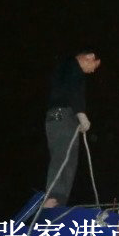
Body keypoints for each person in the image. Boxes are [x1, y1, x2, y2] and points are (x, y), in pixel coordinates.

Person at [44, 49, 101, 208]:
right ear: (89, 57)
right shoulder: (71, 66)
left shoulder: (67, 70)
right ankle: (52, 197)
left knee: (68, 160)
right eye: (95, 66)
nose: (93, 71)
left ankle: (58, 200)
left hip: (63, 118)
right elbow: (72, 90)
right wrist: (81, 114)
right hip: (62, 116)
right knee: (63, 157)